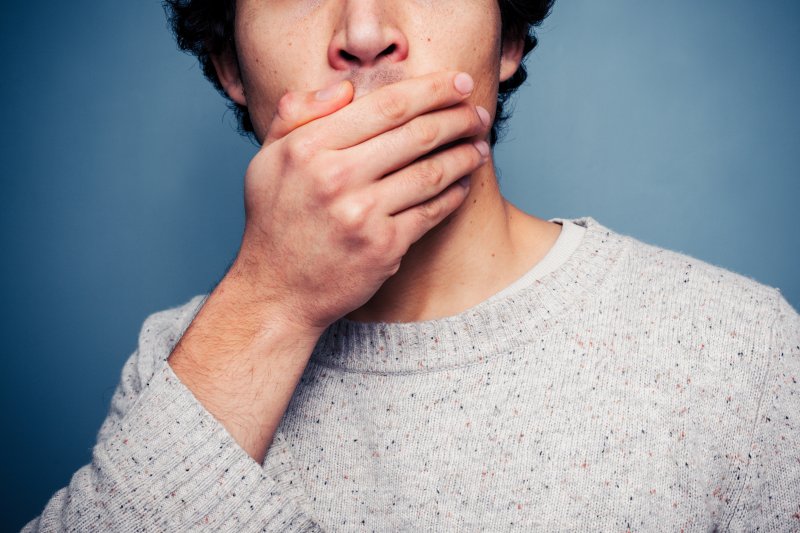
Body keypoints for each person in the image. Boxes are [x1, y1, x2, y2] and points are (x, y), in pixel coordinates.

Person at [24, 0, 799, 531]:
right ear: (230, 64)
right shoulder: (183, 363)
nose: (364, 32)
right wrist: (272, 301)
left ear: (507, 40)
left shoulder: (741, 348)